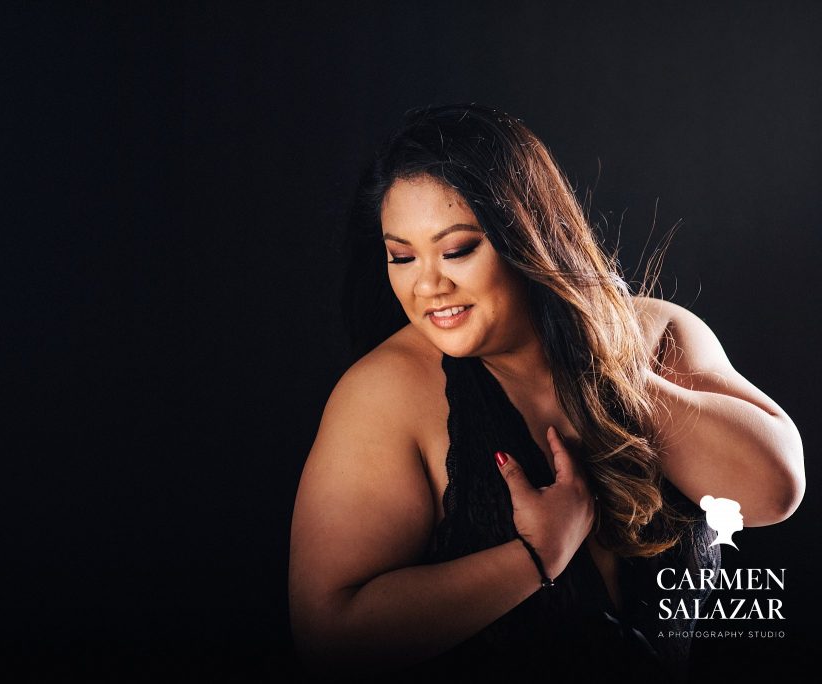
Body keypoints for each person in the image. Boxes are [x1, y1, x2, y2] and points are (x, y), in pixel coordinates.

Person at [287, 104, 804, 683]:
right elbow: (331, 638)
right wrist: (532, 560)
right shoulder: (387, 394)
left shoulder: (659, 333)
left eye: (457, 250)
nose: (428, 284)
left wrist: (604, 366)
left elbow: (773, 493)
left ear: (530, 238)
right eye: (402, 256)